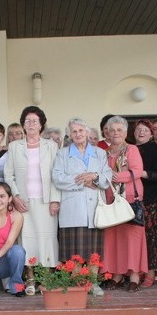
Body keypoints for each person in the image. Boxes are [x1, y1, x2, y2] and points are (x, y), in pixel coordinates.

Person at [52, 118, 112, 296]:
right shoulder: (62, 154)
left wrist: (93, 175)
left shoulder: (100, 153)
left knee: (94, 250)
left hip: (94, 207)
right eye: (74, 131)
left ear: (87, 132)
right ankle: (79, 284)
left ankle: (93, 283)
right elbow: (58, 178)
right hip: (72, 208)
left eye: (81, 130)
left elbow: (107, 177)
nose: (78, 134)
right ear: (69, 135)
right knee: (75, 250)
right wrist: (83, 182)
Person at [4, 106, 60, 295]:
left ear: (41, 124)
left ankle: (45, 279)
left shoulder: (51, 146)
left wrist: (55, 200)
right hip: (24, 202)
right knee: (26, 240)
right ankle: (30, 278)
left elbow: (56, 175)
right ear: (23, 124)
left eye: (35, 121)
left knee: (46, 240)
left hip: (46, 202)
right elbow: (8, 175)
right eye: (27, 121)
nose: (31, 124)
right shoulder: (14, 146)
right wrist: (16, 196)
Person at [100, 116, 148, 292]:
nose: (116, 133)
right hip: (110, 200)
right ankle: (117, 275)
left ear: (126, 132)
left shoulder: (131, 149)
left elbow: (136, 171)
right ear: (107, 132)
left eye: (119, 130)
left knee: (133, 238)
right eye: (112, 130)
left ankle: (134, 276)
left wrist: (115, 177)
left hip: (129, 200)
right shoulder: (103, 152)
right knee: (113, 239)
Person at [133, 119, 157, 287]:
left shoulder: (154, 148)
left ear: (151, 134)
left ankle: (150, 273)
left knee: (152, 238)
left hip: (151, 200)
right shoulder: (130, 148)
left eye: (145, 130)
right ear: (134, 133)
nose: (141, 132)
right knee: (135, 239)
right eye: (138, 129)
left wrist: (139, 173)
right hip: (133, 199)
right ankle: (136, 272)